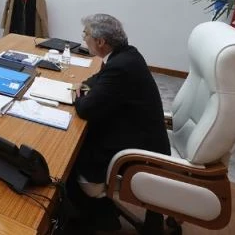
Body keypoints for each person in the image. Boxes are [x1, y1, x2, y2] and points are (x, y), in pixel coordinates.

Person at [67, 14, 170, 230]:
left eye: (86, 35)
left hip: (138, 151)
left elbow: (86, 109)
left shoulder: (120, 67)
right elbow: (97, 80)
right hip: (139, 133)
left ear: (100, 42)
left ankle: (92, 217)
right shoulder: (126, 55)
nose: (84, 39)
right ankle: (100, 211)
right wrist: (84, 87)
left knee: (69, 153)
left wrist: (77, 94)